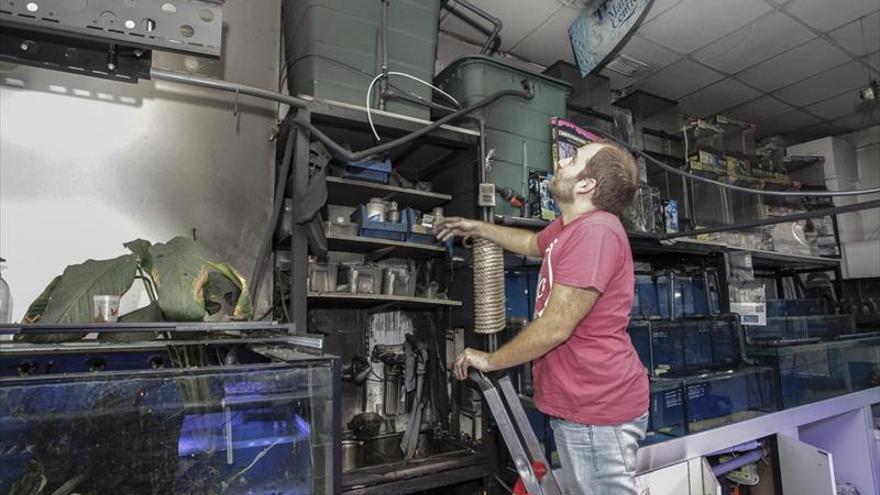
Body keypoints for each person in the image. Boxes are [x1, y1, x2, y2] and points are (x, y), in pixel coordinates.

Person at [436, 141, 649, 495]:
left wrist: (490, 360)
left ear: (586, 185)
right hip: (582, 406)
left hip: (597, 411)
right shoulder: (571, 228)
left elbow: (555, 327)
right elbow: (534, 244)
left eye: (575, 158)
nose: (563, 160)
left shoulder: (595, 232)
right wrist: (478, 228)